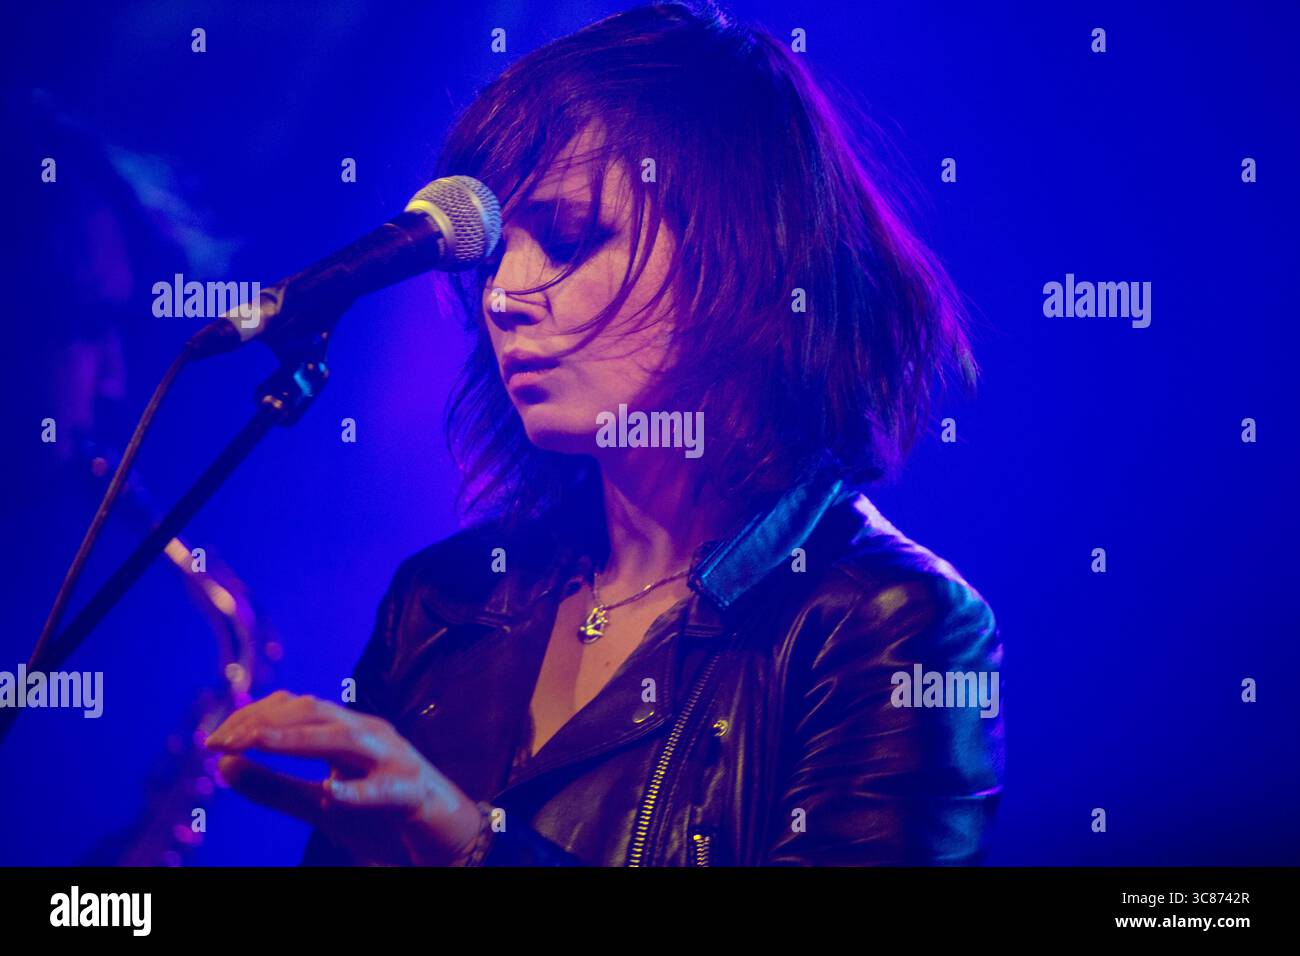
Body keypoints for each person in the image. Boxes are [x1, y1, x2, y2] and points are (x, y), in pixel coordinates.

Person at [205, 1, 1004, 866]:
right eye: (495, 252)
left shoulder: (888, 625)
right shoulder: (441, 601)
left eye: (571, 236)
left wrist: (474, 846)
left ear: (738, 254)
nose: (502, 296)